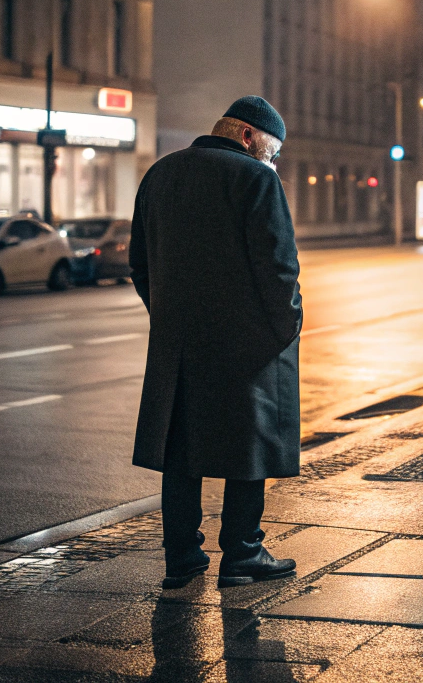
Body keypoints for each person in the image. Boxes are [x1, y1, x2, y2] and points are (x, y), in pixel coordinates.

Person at [129, 96, 303, 589]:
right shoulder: (255, 178)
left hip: (178, 343)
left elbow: (140, 263)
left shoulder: (160, 175)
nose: (272, 163)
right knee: (249, 444)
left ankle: (182, 556)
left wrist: (167, 315)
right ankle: (242, 553)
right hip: (246, 342)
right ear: (247, 137)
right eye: (271, 151)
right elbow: (278, 267)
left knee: (180, 448)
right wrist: (286, 325)